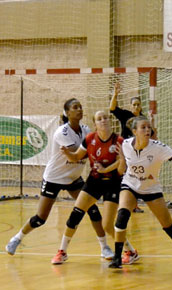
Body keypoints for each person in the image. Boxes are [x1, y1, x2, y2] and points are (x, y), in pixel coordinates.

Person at [5, 99, 113, 259]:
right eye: (75, 107)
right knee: (40, 218)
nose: (79, 110)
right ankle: (16, 238)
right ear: (67, 113)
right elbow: (77, 154)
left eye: (80, 107)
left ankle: (104, 247)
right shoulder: (61, 132)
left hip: (74, 178)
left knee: (93, 210)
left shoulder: (86, 130)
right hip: (54, 178)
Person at [108, 116, 172, 269]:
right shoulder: (125, 145)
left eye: (148, 127)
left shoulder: (158, 147)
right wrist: (122, 162)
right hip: (130, 184)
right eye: (143, 127)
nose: (147, 130)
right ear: (135, 131)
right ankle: (117, 257)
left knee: (168, 225)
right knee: (122, 216)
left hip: (151, 188)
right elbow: (120, 171)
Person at [51, 111, 139, 265]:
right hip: (95, 181)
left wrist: (106, 169)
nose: (103, 120)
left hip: (113, 183)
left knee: (107, 225)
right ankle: (62, 251)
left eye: (105, 117)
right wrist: (67, 153)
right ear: (95, 124)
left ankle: (130, 251)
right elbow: (76, 157)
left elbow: (120, 169)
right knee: (76, 214)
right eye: (99, 118)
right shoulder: (90, 139)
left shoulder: (119, 141)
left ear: (110, 121)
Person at [109, 82, 156, 213]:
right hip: (126, 150)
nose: (136, 106)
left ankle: (133, 205)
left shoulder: (144, 119)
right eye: (134, 104)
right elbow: (112, 108)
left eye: (138, 104)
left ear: (141, 106)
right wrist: (115, 94)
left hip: (140, 152)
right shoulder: (125, 115)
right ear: (130, 106)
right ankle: (119, 202)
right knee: (123, 175)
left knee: (136, 176)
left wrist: (151, 124)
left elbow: (152, 136)